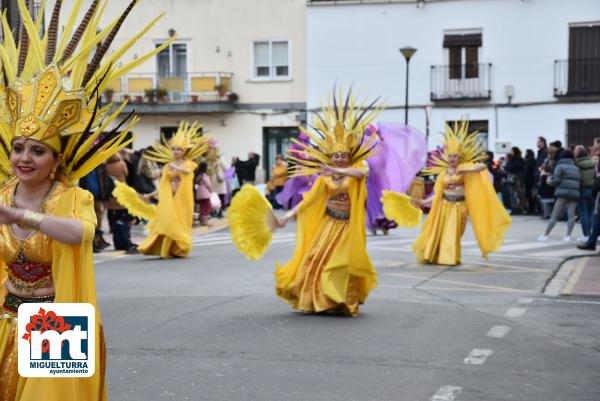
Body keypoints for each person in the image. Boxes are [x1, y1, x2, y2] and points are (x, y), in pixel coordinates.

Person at [0, 0, 161, 397]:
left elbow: (81, 234)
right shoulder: (3, 192)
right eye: (19, 147)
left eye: (37, 150)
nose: (24, 157)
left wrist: (19, 215)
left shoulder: (71, 196)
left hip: (55, 321)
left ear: (56, 159)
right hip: (5, 321)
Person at [275, 88, 381, 316]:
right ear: (330, 156)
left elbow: (362, 175)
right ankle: (321, 299)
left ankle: (343, 300)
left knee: (342, 263)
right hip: (329, 223)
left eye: (343, 156)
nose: (339, 158)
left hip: (347, 227)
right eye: (336, 156)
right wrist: (287, 216)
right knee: (316, 259)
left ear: (349, 157)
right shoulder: (324, 178)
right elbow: (309, 200)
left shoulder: (356, 171)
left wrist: (334, 169)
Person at [413, 122, 511, 266]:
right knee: (440, 231)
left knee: (453, 233)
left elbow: (482, 166)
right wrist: (425, 202)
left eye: (455, 156)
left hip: (459, 206)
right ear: (446, 157)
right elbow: (439, 192)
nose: (452, 158)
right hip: (444, 206)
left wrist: (467, 171)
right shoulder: (443, 173)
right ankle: (435, 255)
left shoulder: (464, 168)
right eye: (450, 156)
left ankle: (450, 258)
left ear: (459, 157)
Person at [139, 122, 208, 258]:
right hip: (169, 200)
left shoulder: (189, 163)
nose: (176, 152)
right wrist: (151, 194)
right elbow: (163, 184)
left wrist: (176, 168)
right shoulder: (167, 166)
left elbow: (187, 171)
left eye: (179, 149)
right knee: (168, 223)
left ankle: (178, 249)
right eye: (175, 149)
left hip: (183, 201)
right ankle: (164, 250)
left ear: (184, 152)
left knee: (180, 223)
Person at [538, 150, 581, 242]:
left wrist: (549, 181)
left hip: (563, 193)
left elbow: (556, 180)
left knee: (554, 215)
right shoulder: (576, 168)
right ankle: (568, 236)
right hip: (574, 193)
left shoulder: (560, 166)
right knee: (571, 215)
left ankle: (546, 235)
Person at [574, 145, 595, 241]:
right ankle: (592, 234)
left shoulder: (577, 164)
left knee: (583, 213)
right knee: (591, 213)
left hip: (581, 189)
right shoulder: (592, 163)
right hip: (592, 190)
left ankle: (586, 235)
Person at [195, 162, 213, 226]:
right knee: (207, 207)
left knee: (202, 207)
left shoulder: (198, 175)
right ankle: (205, 222)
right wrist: (211, 190)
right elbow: (208, 184)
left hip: (199, 192)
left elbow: (196, 182)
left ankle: (202, 221)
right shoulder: (204, 175)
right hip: (205, 192)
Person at [524, 149, 537, 214]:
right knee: (529, 195)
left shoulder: (530, 161)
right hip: (529, 179)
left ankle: (531, 209)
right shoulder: (531, 160)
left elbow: (527, 171)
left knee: (529, 195)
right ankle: (531, 208)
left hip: (529, 180)